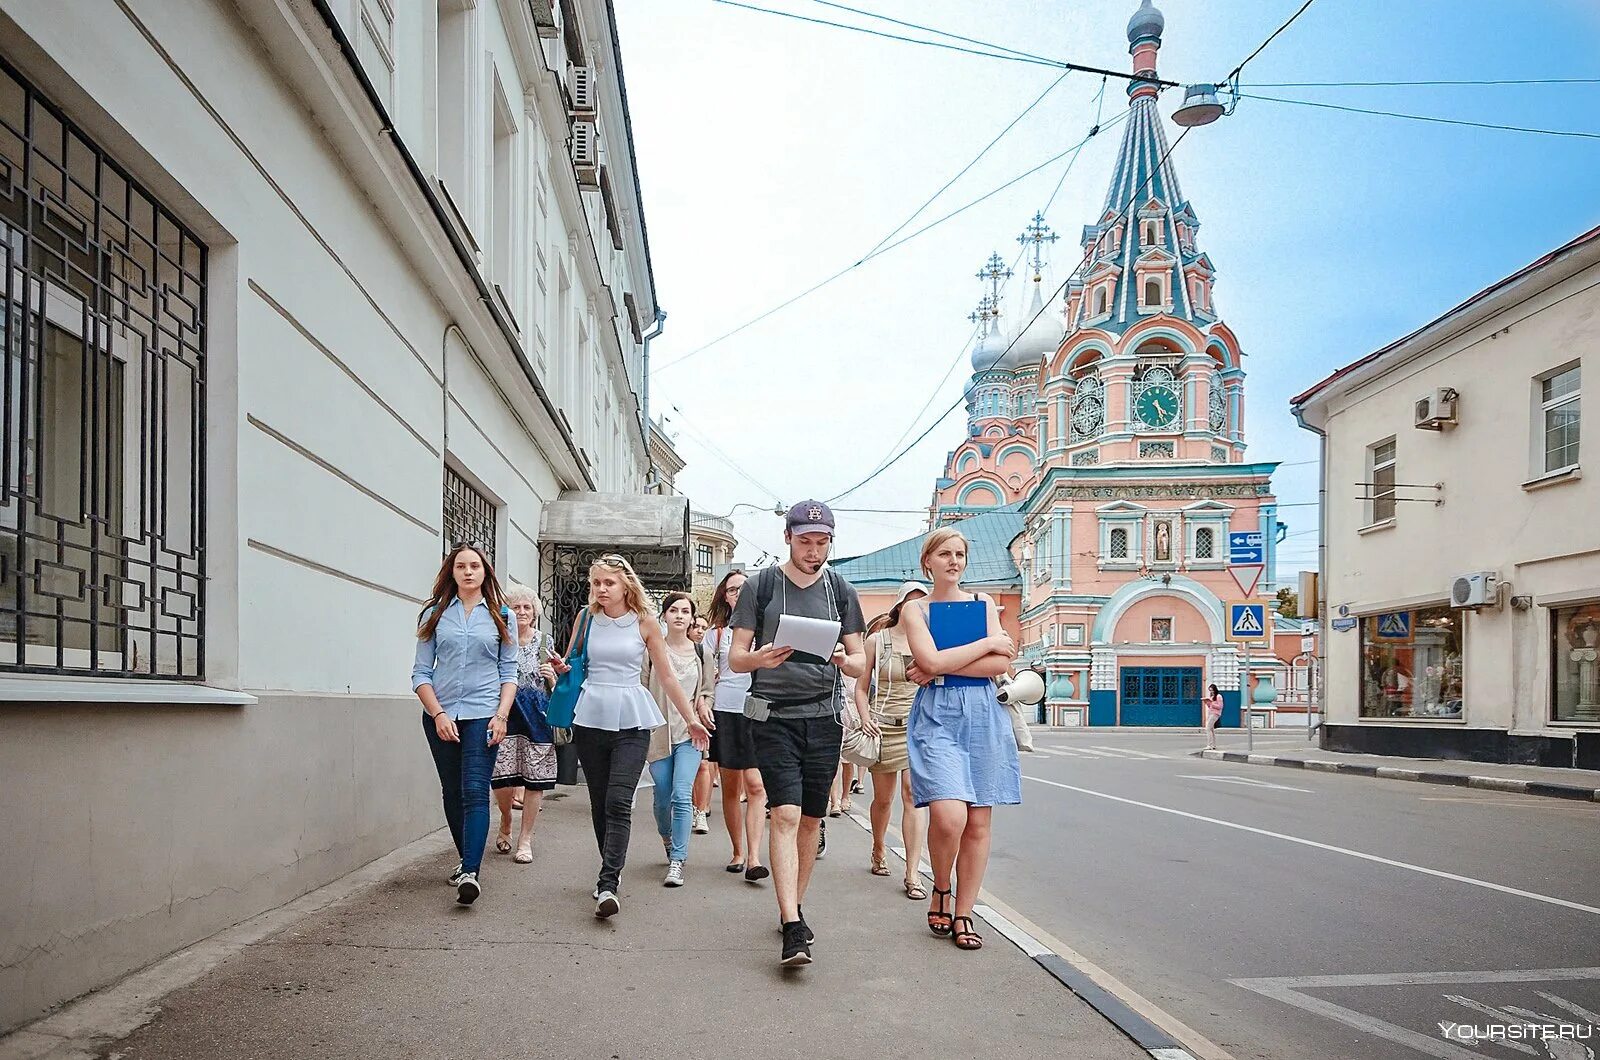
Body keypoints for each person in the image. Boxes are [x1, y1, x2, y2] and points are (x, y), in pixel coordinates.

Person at [729, 501, 866, 967]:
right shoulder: (761, 586)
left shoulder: (841, 590)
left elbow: (860, 658)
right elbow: (735, 657)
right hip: (771, 715)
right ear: (788, 537)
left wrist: (847, 662)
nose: (814, 550)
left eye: (822, 542)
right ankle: (791, 924)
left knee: (811, 819)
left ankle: (795, 906)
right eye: (805, 541)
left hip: (824, 716)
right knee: (783, 813)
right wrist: (760, 659)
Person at [553, 555, 709, 918]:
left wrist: (691, 718)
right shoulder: (586, 618)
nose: (601, 589)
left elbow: (668, 677)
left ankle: (608, 881)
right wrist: (560, 667)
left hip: (632, 720)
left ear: (626, 585)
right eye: (596, 583)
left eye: (609, 583)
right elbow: (572, 658)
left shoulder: (645, 623)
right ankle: (609, 870)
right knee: (599, 801)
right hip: (591, 716)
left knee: (619, 802)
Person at [902, 527, 1020, 952]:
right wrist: (985, 643)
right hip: (937, 714)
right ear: (928, 561)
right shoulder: (916, 610)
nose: (954, 561)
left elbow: (1001, 663)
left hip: (984, 715)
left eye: (960, 555)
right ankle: (941, 885)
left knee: (979, 820)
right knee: (950, 816)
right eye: (945, 554)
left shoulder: (982, 603)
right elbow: (930, 659)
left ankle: (965, 912)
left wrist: (940, 666)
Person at [411, 544, 518, 906]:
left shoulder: (502, 613)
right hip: (441, 715)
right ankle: (464, 859)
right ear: (451, 572)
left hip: (484, 714)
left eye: (475, 566)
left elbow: (509, 672)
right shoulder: (434, 613)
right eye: (461, 566)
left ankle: (471, 871)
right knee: (452, 791)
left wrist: (501, 715)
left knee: (474, 790)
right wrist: (438, 714)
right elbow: (421, 672)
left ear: (485, 571)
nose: (468, 571)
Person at [856, 581, 930, 901]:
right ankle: (878, 847)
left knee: (913, 795)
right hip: (884, 727)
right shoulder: (877, 640)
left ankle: (913, 873)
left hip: (919, 727)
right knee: (883, 800)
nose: (917, 610)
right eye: (912, 604)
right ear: (900, 606)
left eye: (923, 605)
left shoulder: (930, 643)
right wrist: (865, 717)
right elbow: (860, 688)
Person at [702, 570, 770, 882]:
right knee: (731, 786)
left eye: (743, 587)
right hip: (726, 710)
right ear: (724, 597)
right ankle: (737, 851)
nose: (738, 593)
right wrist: (703, 701)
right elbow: (704, 675)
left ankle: (755, 856)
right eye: (731, 590)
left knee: (756, 785)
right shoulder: (715, 634)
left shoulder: (765, 627)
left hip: (758, 710)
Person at [645, 592, 716, 887]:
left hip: (690, 734)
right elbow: (640, 687)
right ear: (664, 616)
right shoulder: (653, 649)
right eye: (673, 610)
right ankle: (667, 838)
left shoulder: (702, 653)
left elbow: (708, 690)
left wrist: (702, 705)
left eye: (684, 611)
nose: (678, 615)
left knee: (681, 793)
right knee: (662, 797)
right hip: (658, 733)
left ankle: (678, 860)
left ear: (691, 618)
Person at [492, 583, 558, 863]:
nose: (521, 612)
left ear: (535, 613)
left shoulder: (545, 642)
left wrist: (553, 678)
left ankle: (525, 839)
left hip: (537, 716)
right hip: (505, 714)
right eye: (516, 607)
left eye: (527, 607)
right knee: (501, 778)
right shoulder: (498, 639)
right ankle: (506, 818)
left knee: (535, 781)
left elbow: (557, 685)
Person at [1201, 682, 1224, 750]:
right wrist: (1207, 702)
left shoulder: (1218, 696)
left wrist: (1211, 703)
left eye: (1212, 690)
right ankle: (1213, 745)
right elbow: (1210, 706)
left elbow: (1220, 706)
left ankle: (1209, 745)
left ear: (1215, 690)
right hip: (1210, 713)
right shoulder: (1212, 697)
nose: (1211, 692)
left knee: (1208, 728)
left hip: (1215, 714)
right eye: (1210, 690)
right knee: (1211, 729)